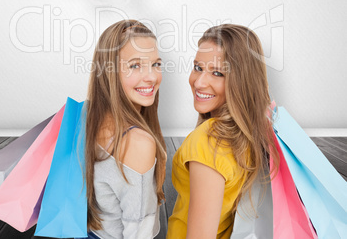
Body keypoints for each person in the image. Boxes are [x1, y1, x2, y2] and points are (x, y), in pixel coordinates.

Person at [167, 24, 280, 239]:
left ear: (241, 82)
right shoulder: (248, 133)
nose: (199, 82)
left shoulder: (207, 142)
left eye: (217, 73)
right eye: (198, 68)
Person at [85, 20, 167, 239]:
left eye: (156, 64)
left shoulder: (89, 118)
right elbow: (138, 232)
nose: (151, 76)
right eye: (135, 65)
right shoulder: (137, 142)